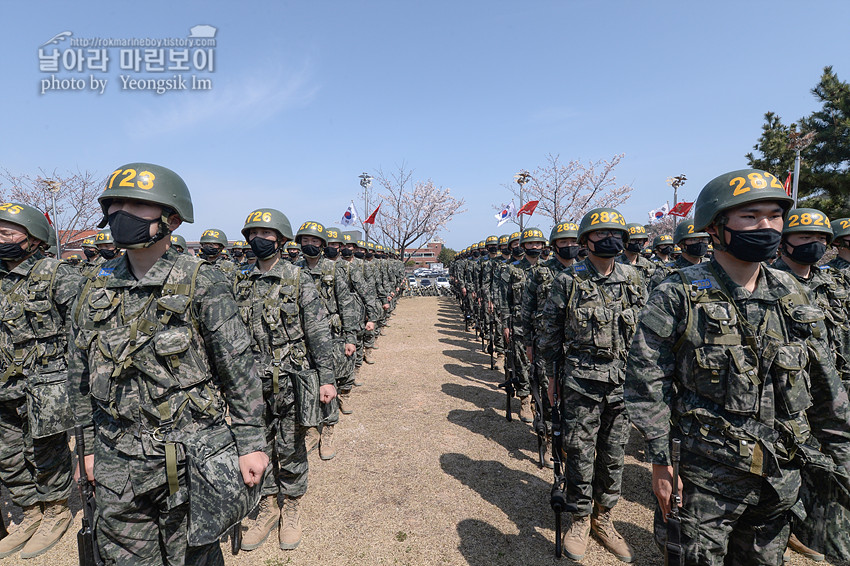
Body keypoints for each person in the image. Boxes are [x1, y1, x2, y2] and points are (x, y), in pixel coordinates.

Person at [625, 169, 850, 565]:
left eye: (773, 215)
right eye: (749, 217)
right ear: (715, 228)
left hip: (779, 477)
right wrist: (660, 462)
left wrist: (842, 457)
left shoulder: (794, 293)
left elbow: (826, 390)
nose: (766, 226)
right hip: (705, 480)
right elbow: (647, 385)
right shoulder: (676, 294)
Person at [68, 162, 268, 565]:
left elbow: (237, 369)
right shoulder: (93, 284)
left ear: (171, 218)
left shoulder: (203, 281)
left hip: (190, 456)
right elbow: (80, 374)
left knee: (192, 556)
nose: (120, 214)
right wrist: (87, 449)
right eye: (115, 204)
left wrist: (250, 444)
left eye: (136, 205)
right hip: (116, 460)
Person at [540, 208, 643, 562]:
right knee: (581, 454)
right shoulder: (569, 280)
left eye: (616, 233)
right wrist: (551, 381)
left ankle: (604, 517)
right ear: (586, 241)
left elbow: (643, 334)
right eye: (601, 235)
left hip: (623, 385)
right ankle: (580, 519)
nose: (610, 240)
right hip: (580, 385)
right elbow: (550, 335)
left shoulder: (633, 278)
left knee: (614, 455)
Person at [233, 208, 335, 552]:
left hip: (291, 381)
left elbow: (318, 332)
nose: (259, 239)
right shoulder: (241, 280)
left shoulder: (298, 278)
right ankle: (267, 506)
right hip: (251, 383)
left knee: (290, 446)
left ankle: (291, 507)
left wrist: (326, 379)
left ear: (280, 239)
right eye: (254, 233)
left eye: (267, 233)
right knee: (256, 446)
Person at [0, 203, 80, 559]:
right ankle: (30, 512)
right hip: (3, 386)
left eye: (6, 233)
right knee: (9, 455)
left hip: (44, 386)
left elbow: (80, 332)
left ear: (32, 239)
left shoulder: (57, 274)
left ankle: (55, 509)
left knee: (45, 452)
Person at [771, 207, 849, 561]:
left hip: (831, 389)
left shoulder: (833, 283)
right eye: (805, 237)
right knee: (784, 466)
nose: (815, 244)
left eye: (821, 239)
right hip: (786, 395)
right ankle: (787, 530)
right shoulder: (768, 284)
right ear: (784, 242)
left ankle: (819, 531)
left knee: (833, 464)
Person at [294, 221, 356, 461]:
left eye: (315, 241)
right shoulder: (295, 271)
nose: (310, 245)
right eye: (305, 241)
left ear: (323, 244)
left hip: (331, 335)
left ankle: (328, 429)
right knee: (307, 384)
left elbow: (346, 304)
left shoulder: (333, 270)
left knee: (329, 380)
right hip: (301, 338)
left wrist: (350, 337)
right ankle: (311, 427)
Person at [521, 221, 580, 468]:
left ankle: (571, 442)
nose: (569, 246)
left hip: (579, 347)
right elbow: (527, 310)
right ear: (554, 246)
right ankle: (547, 433)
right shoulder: (540, 273)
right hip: (547, 345)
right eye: (563, 242)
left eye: (573, 242)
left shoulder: (586, 272)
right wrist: (528, 343)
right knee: (549, 394)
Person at [647, 220, 710, 291]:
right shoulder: (665, 272)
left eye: (704, 239)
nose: (700, 243)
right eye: (694, 239)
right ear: (681, 244)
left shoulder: (713, 266)